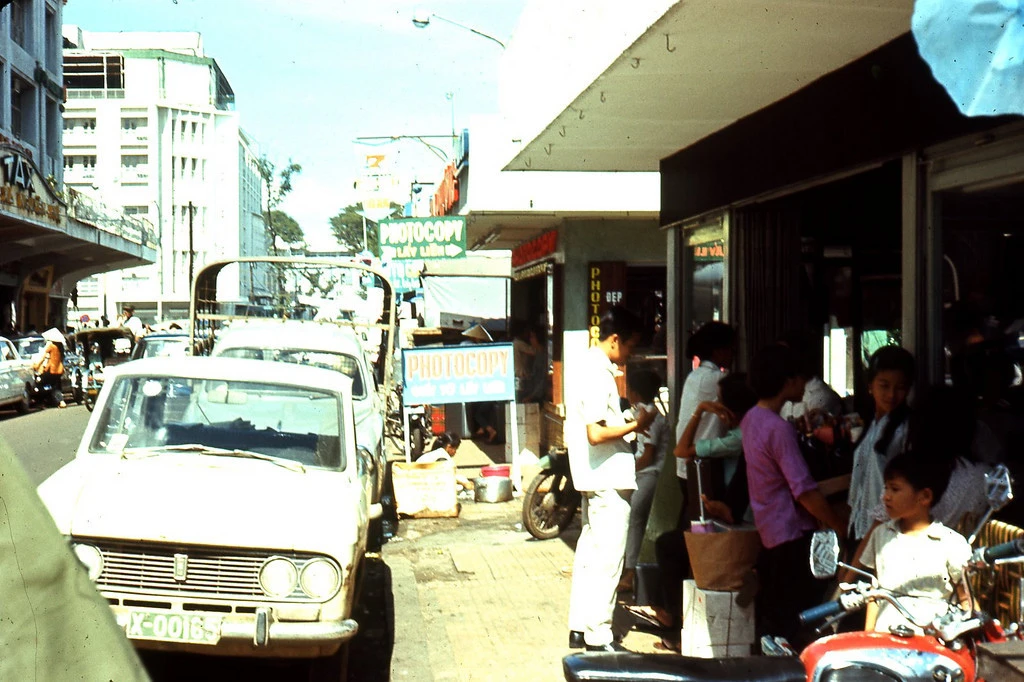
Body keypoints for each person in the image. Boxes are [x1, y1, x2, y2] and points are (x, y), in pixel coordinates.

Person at [639, 372, 757, 653]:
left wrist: (701, 410)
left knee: (672, 547)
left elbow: (681, 450)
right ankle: (677, 624)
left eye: (719, 400)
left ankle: (675, 625)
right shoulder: (735, 434)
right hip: (731, 520)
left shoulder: (738, 437)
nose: (715, 403)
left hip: (741, 526)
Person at [742, 343, 846, 649]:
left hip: (768, 529)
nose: (805, 384)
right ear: (788, 381)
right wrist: (838, 524)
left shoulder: (751, 419)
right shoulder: (778, 428)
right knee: (794, 618)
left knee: (773, 613)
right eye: (801, 378)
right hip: (793, 532)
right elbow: (803, 490)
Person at [567, 306, 656, 652]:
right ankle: (599, 634)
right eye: (631, 345)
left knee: (590, 555)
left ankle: (580, 626)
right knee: (608, 559)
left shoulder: (590, 367)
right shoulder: (596, 371)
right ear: (615, 339)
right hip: (606, 477)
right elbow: (596, 433)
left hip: (595, 476)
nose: (631, 353)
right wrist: (637, 425)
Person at [857, 452, 972, 633]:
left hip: (931, 642)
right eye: (885, 488)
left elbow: (966, 598)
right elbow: (875, 592)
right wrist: (869, 635)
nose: (885, 496)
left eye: (894, 489)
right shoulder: (881, 535)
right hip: (885, 638)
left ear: (924, 496)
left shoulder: (951, 543)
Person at [847, 346, 916, 546]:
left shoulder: (905, 430)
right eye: (884, 385)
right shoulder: (872, 425)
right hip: (860, 527)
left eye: (900, 387)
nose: (892, 394)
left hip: (885, 533)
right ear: (870, 386)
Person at [674, 321, 736, 526]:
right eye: (730, 348)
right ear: (719, 351)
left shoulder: (695, 376)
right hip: (703, 465)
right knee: (704, 528)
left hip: (689, 465)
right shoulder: (717, 379)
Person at [617, 369, 670, 596]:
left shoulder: (653, 416)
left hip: (652, 474)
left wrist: (625, 468)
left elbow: (648, 456)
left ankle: (629, 573)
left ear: (635, 392)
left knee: (634, 517)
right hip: (642, 472)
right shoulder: (640, 411)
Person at [33, 329, 66, 408]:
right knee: (56, 386)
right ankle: (58, 401)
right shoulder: (61, 346)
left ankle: (41, 402)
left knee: (40, 383)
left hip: (52, 369)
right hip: (59, 369)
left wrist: (37, 365)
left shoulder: (51, 346)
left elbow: (44, 357)